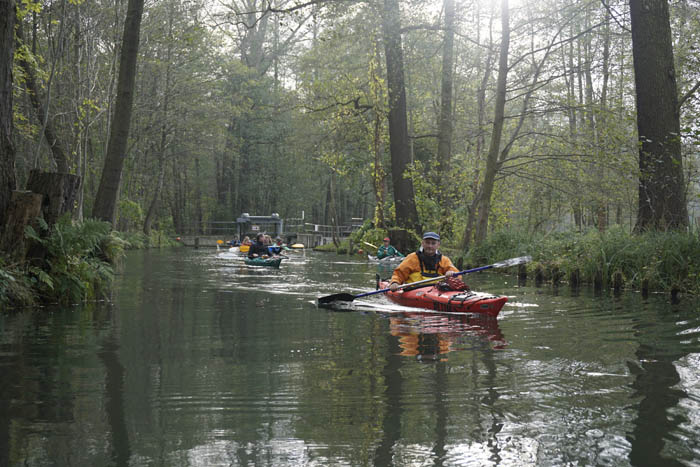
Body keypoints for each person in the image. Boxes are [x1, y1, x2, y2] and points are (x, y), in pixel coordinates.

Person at [389, 232, 464, 291]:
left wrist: (452, 274)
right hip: (413, 290)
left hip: (437, 290)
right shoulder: (412, 258)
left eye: (433, 243)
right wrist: (395, 282)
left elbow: (456, 274)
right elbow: (399, 273)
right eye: (427, 242)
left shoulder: (444, 260)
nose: (430, 246)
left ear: (438, 245)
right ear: (422, 243)